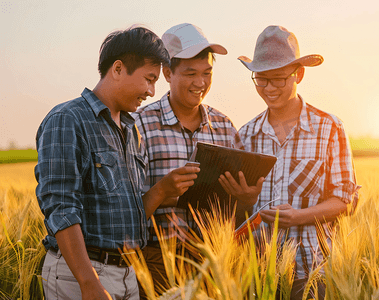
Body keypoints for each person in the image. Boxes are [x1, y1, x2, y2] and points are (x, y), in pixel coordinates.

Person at [35, 26, 192, 300]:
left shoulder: (132, 131)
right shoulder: (68, 119)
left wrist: (162, 190)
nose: (152, 91)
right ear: (118, 69)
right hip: (81, 274)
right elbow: (61, 208)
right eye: (149, 79)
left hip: (128, 273)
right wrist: (88, 282)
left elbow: (126, 216)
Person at [220, 25, 360, 299]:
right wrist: (247, 200)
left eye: (279, 80)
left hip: (313, 271)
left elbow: (345, 200)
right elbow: (237, 208)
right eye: (261, 80)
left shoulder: (329, 128)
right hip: (258, 272)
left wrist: (298, 217)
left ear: (299, 74)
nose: (269, 89)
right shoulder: (246, 134)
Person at [132, 23, 263, 299]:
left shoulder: (224, 126)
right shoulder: (139, 126)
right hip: (158, 263)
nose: (200, 83)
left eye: (207, 73)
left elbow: (238, 212)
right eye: (190, 73)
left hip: (214, 262)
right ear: (167, 73)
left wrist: (246, 198)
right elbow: (123, 211)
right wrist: (163, 192)